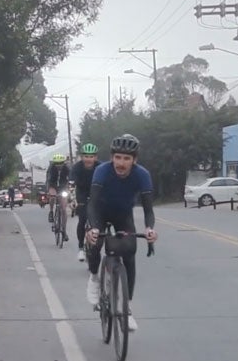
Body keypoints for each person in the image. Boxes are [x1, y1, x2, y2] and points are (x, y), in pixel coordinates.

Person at [84, 134, 159, 332]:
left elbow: (148, 210)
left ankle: (126, 309)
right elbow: (92, 203)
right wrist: (92, 227)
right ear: (112, 158)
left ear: (134, 160)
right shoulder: (102, 171)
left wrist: (150, 228)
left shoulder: (142, 175)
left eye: (126, 159)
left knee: (129, 252)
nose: (121, 163)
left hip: (122, 215)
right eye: (117, 157)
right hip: (99, 212)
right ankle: (93, 277)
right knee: (95, 242)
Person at [68, 143, 101, 262]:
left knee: (99, 220)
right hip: (81, 194)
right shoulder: (76, 168)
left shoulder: (100, 167)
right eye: (86, 156)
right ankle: (81, 247)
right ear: (82, 157)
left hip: (96, 193)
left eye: (91, 156)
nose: (88, 159)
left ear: (95, 158)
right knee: (82, 220)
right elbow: (71, 185)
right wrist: (72, 200)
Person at [46, 153, 71, 242]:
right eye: (57, 163)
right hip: (53, 186)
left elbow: (70, 178)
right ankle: (51, 212)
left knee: (64, 209)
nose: (58, 165)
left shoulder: (67, 168)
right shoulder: (51, 169)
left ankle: (64, 230)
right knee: (52, 197)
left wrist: (70, 187)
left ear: (63, 162)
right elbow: (48, 180)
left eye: (60, 163)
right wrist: (48, 191)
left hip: (62, 187)